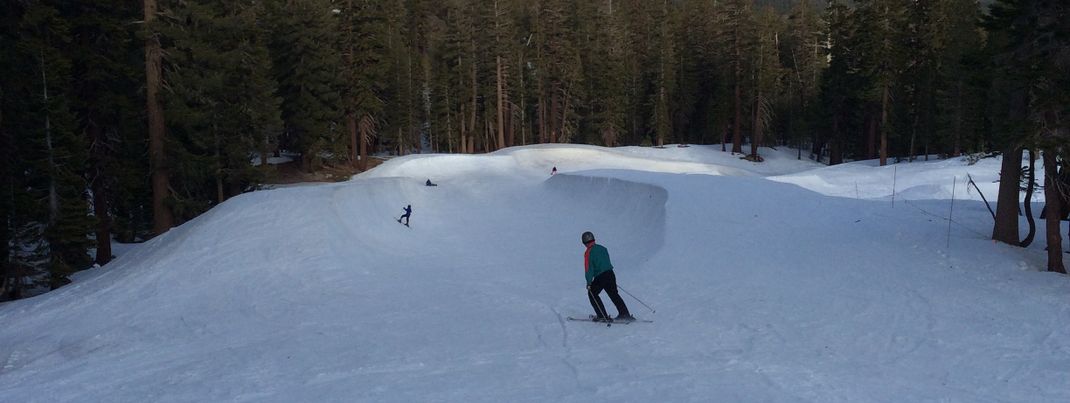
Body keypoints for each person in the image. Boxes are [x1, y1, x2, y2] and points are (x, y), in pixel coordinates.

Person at [581, 231, 633, 322]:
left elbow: (589, 269)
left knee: (592, 293)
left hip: (601, 276)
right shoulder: (603, 248)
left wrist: (589, 283)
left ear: (584, 242)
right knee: (614, 294)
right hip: (610, 274)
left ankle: (602, 316)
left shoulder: (588, 252)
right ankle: (624, 313)